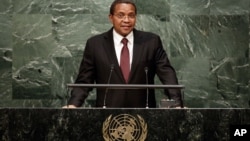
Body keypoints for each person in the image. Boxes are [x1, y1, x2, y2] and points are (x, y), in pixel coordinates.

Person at [64, 0, 183, 108]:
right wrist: (73, 105)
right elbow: (84, 80)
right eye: (121, 15)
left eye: (131, 15)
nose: (126, 20)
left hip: (144, 114)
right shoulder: (95, 44)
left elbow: (167, 74)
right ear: (111, 17)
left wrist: (177, 104)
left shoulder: (151, 42)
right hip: (107, 115)